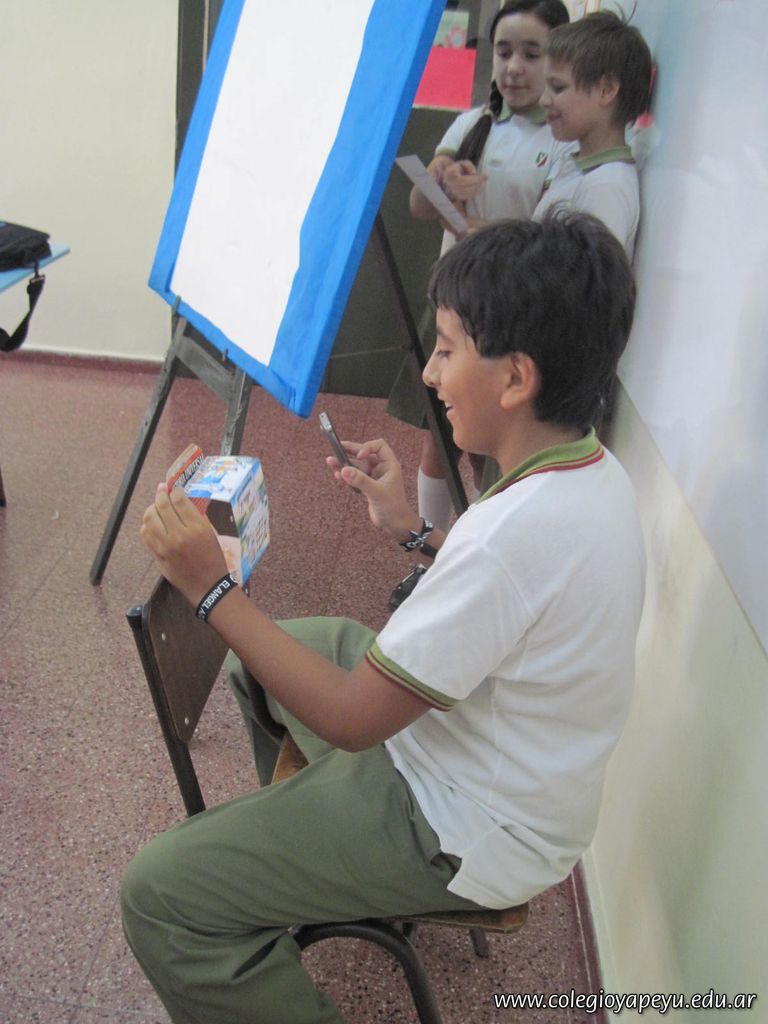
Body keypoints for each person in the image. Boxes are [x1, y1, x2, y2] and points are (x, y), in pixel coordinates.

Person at [121, 213, 646, 1024]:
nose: (431, 373)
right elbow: (512, 596)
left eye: (447, 349)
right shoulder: (590, 473)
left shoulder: (512, 534)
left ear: (515, 379)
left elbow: (354, 719)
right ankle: (301, 858)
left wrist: (211, 589)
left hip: (459, 825)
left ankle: (304, 863)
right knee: (275, 655)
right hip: (502, 777)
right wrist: (410, 528)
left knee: (158, 895)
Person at [389, 0, 573, 535]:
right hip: (455, 303)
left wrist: (476, 228)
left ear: (559, 61)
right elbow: (418, 206)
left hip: (515, 314)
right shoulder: (472, 123)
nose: (514, 67)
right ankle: (428, 553)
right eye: (504, 51)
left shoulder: (560, 140)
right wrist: (441, 180)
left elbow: (547, 232)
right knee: (440, 434)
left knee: (495, 445)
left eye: (532, 54)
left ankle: (480, 537)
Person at [533, 11, 653, 259]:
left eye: (557, 88)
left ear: (606, 90)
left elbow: (590, 279)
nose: (544, 100)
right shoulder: (580, 169)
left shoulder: (606, 186)